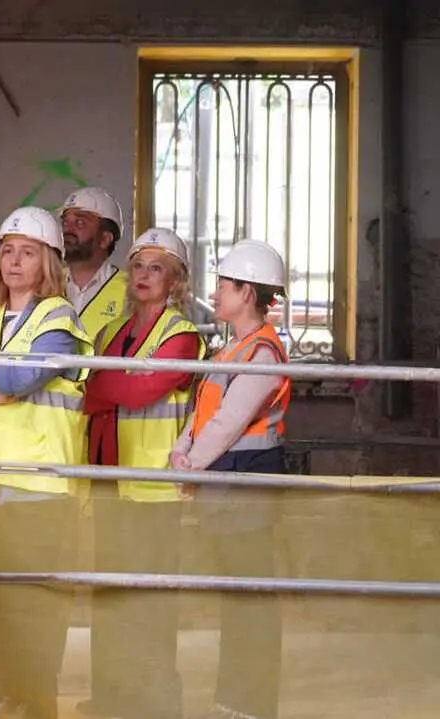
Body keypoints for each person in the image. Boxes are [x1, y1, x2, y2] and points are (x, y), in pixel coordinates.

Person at [0, 206, 93, 719]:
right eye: (7, 251)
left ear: (48, 261)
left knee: (33, 602)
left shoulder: (58, 319)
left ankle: (37, 700)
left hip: (36, 483)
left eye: (27, 252)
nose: (13, 261)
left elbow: (20, 380)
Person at [78, 228, 206, 719]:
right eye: (138, 267)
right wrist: (118, 381)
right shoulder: (112, 335)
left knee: (151, 604)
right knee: (108, 599)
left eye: (156, 268)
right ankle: (109, 700)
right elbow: (94, 393)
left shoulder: (182, 335)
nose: (143, 276)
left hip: (153, 488)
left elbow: (135, 393)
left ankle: (154, 704)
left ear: (175, 280)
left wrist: (112, 381)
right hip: (110, 480)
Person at [172, 239, 291, 719]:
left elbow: (229, 422)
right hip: (226, 481)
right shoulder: (230, 350)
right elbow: (203, 414)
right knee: (237, 595)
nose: (216, 292)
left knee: (251, 599)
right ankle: (233, 700)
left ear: (248, 292)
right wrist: (183, 452)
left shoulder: (261, 353)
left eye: (224, 284)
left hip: (248, 485)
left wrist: (192, 464)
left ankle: (249, 703)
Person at [58, 187, 129, 337]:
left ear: (105, 239)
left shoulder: (131, 290)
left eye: (80, 222)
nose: (67, 230)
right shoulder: (46, 284)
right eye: (65, 223)